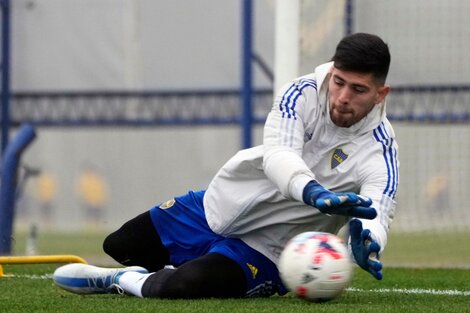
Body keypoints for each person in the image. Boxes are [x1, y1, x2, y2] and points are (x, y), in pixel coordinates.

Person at [53, 33, 398, 299]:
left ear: (380, 94)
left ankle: (125, 281)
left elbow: (380, 207)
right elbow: (280, 156)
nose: (342, 97)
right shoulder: (302, 92)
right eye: (338, 82)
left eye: (358, 89)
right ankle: (175, 270)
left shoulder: (380, 149)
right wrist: (312, 192)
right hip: (219, 205)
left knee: (185, 286)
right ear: (331, 70)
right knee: (120, 245)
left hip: (270, 249)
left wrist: (370, 240)